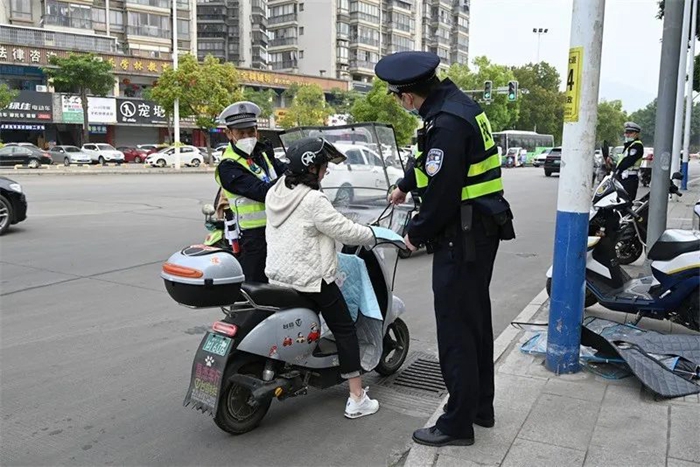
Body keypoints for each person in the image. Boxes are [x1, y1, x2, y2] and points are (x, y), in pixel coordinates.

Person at [379, 51, 515, 447]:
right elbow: (429, 160)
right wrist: (404, 185)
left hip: (463, 235)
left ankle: (457, 424)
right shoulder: (454, 107)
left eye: (396, 97)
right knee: (474, 323)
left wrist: (414, 234)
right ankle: (480, 408)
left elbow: (442, 194)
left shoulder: (448, 122)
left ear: (407, 96)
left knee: (456, 330)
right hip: (478, 230)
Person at [264, 136, 380, 419]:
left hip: (279, 275)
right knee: (344, 328)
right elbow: (345, 231)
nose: (326, 171)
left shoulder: (275, 191)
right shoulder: (313, 199)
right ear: (311, 167)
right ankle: (357, 397)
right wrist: (373, 234)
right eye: (323, 166)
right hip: (311, 279)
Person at [215, 101, 287, 283]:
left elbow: (283, 169)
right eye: (241, 133)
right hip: (251, 237)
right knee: (255, 286)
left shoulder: (262, 154)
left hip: (277, 230)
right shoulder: (228, 166)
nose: (247, 137)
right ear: (229, 133)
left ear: (257, 131)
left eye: (251, 132)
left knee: (279, 284)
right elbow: (262, 191)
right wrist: (292, 177)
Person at [614, 122, 644, 201]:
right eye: (626, 133)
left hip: (629, 178)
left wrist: (618, 169)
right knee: (620, 201)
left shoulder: (637, 146)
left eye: (630, 133)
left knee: (626, 201)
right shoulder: (629, 145)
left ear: (636, 134)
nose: (627, 135)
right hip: (623, 177)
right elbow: (621, 161)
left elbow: (628, 161)